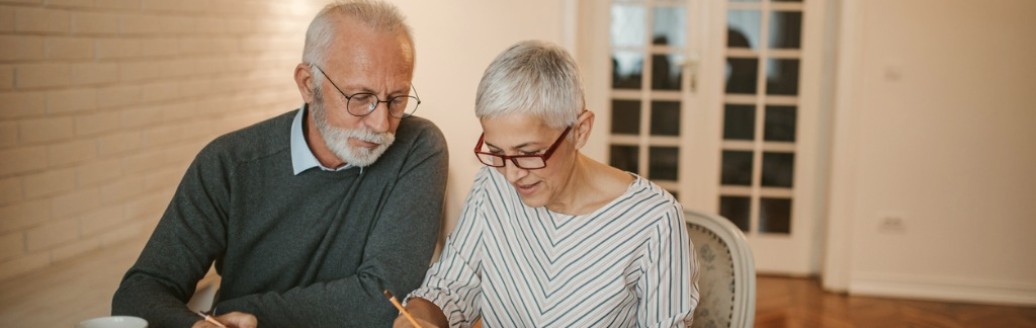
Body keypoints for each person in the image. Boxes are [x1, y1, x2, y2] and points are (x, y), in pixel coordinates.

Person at [111, 1, 448, 327]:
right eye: (360, 98)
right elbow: (138, 293)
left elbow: (383, 301)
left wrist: (235, 310)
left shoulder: (417, 147)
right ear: (307, 84)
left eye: (397, 99)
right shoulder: (229, 164)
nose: (381, 123)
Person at [395, 40, 698, 328]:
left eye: (528, 153)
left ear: (580, 131)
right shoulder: (492, 185)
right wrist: (419, 316)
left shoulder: (655, 219)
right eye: (497, 152)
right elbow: (451, 286)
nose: (512, 175)